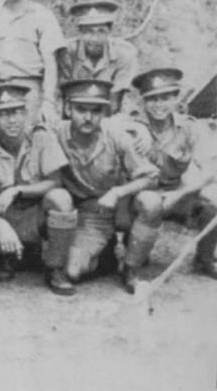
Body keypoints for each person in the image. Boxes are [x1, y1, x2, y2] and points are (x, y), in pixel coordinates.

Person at [0, 82, 77, 294]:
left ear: (25, 113)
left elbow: (55, 181)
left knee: (61, 198)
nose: (12, 120)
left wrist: (16, 190)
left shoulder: (41, 137)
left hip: (35, 216)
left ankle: (55, 268)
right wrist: (0, 225)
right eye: (3, 114)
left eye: (16, 112)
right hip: (4, 218)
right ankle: (4, 258)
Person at [55, 79, 161, 292]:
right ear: (67, 108)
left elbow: (151, 177)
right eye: (80, 109)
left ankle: (131, 269)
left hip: (121, 205)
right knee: (73, 271)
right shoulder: (56, 133)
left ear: (104, 112)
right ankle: (105, 255)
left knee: (151, 202)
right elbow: (16, 131)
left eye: (95, 111)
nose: (88, 117)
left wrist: (118, 192)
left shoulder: (115, 135)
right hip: (91, 214)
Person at [130, 68, 217, 278]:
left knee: (212, 201)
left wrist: (177, 195)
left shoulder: (190, 128)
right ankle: (132, 260)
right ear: (142, 101)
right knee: (147, 203)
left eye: (165, 98)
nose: (159, 106)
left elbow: (209, 172)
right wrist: (138, 129)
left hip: (175, 195)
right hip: (139, 196)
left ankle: (205, 259)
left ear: (176, 98)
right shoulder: (132, 125)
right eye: (152, 99)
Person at [60, 0, 138, 114]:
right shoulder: (67, 52)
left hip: (108, 108)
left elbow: (117, 100)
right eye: (88, 32)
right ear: (79, 32)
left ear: (110, 32)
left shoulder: (124, 54)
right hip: (76, 111)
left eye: (101, 31)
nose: (94, 38)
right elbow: (60, 95)